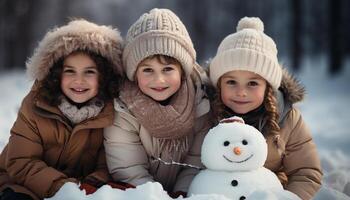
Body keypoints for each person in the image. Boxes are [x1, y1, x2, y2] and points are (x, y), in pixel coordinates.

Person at [0, 19, 124, 200]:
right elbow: (21, 161)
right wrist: (64, 188)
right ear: (56, 74)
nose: (79, 80)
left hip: (80, 189)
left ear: (104, 77)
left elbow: (109, 164)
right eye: (69, 71)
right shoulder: (36, 105)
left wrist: (92, 184)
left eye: (89, 72)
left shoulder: (110, 113)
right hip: (21, 184)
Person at [209, 17, 323, 200]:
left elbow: (306, 171)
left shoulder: (288, 118)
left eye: (252, 83)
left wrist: (288, 198)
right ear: (219, 84)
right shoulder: (206, 113)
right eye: (231, 82)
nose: (241, 92)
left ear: (268, 87)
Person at [104, 8, 212, 197]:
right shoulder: (122, 109)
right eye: (148, 70)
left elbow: (196, 162)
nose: (159, 79)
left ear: (182, 70)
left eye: (167, 69)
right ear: (134, 74)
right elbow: (129, 168)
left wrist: (182, 193)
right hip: (141, 193)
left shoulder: (200, 102)